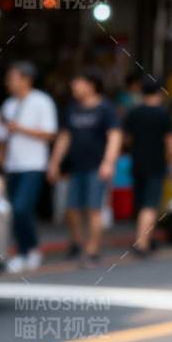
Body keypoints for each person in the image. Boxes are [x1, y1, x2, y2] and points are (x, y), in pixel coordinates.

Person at [47, 70, 122, 267]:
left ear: (91, 85)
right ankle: (78, 244)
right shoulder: (73, 109)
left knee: (94, 210)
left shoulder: (106, 108)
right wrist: (54, 162)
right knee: (71, 209)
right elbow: (64, 137)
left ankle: (92, 249)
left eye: (78, 83)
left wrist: (108, 162)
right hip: (75, 167)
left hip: (96, 167)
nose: (74, 87)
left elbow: (115, 136)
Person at [2, 61, 58, 273]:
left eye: (13, 77)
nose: (9, 82)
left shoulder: (42, 102)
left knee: (22, 207)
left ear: (26, 79)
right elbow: (4, 136)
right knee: (13, 211)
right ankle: (22, 251)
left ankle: (31, 249)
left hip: (33, 164)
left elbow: (49, 133)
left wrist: (20, 128)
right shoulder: (8, 104)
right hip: (12, 165)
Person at [122, 78, 172, 257]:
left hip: (137, 163)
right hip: (156, 164)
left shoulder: (133, 113)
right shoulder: (163, 114)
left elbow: (126, 139)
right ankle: (142, 244)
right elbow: (171, 142)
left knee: (141, 204)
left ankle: (149, 238)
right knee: (151, 204)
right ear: (160, 93)